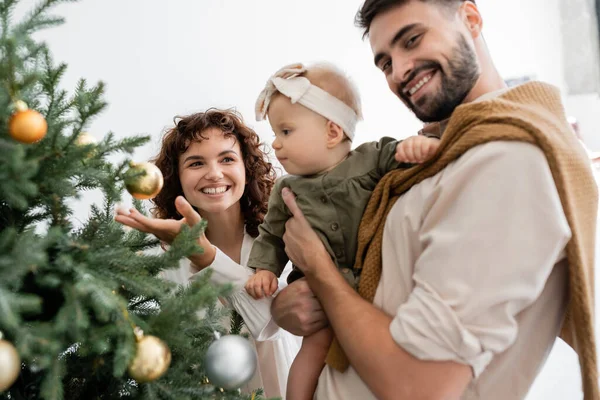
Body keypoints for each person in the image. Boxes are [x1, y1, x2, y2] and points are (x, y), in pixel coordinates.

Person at [270, 1, 599, 399]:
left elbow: (420, 387)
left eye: (412, 39)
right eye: (386, 63)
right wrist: (292, 305)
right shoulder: (443, 153)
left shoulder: (507, 159)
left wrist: (319, 270)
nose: (401, 70)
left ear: (471, 18)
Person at [243, 62, 439, 400]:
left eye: (286, 132)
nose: (275, 144)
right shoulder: (287, 190)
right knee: (313, 349)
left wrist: (415, 148)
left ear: (332, 132)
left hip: (375, 284)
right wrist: (264, 269)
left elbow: (399, 157)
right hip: (316, 294)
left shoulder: (370, 159)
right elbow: (272, 236)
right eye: (275, 133)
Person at [115, 108, 302, 398]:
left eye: (227, 159)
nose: (214, 174)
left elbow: (271, 323)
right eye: (196, 163)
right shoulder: (162, 258)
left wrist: (206, 257)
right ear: (177, 177)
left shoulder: (286, 239)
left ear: (247, 168)